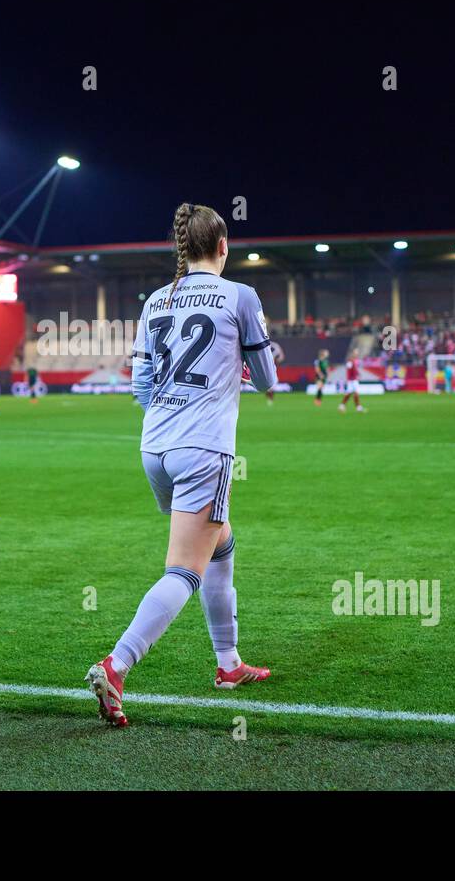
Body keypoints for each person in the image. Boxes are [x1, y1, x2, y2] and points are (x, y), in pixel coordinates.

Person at [86, 203, 276, 728]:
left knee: (221, 544)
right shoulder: (240, 295)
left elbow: (141, 387)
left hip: (155, 448)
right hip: (203, 449)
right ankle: (116, 664)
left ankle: (229, 664)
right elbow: (267, 378)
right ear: (222, 247)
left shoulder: (155, 300)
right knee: (185, 569)